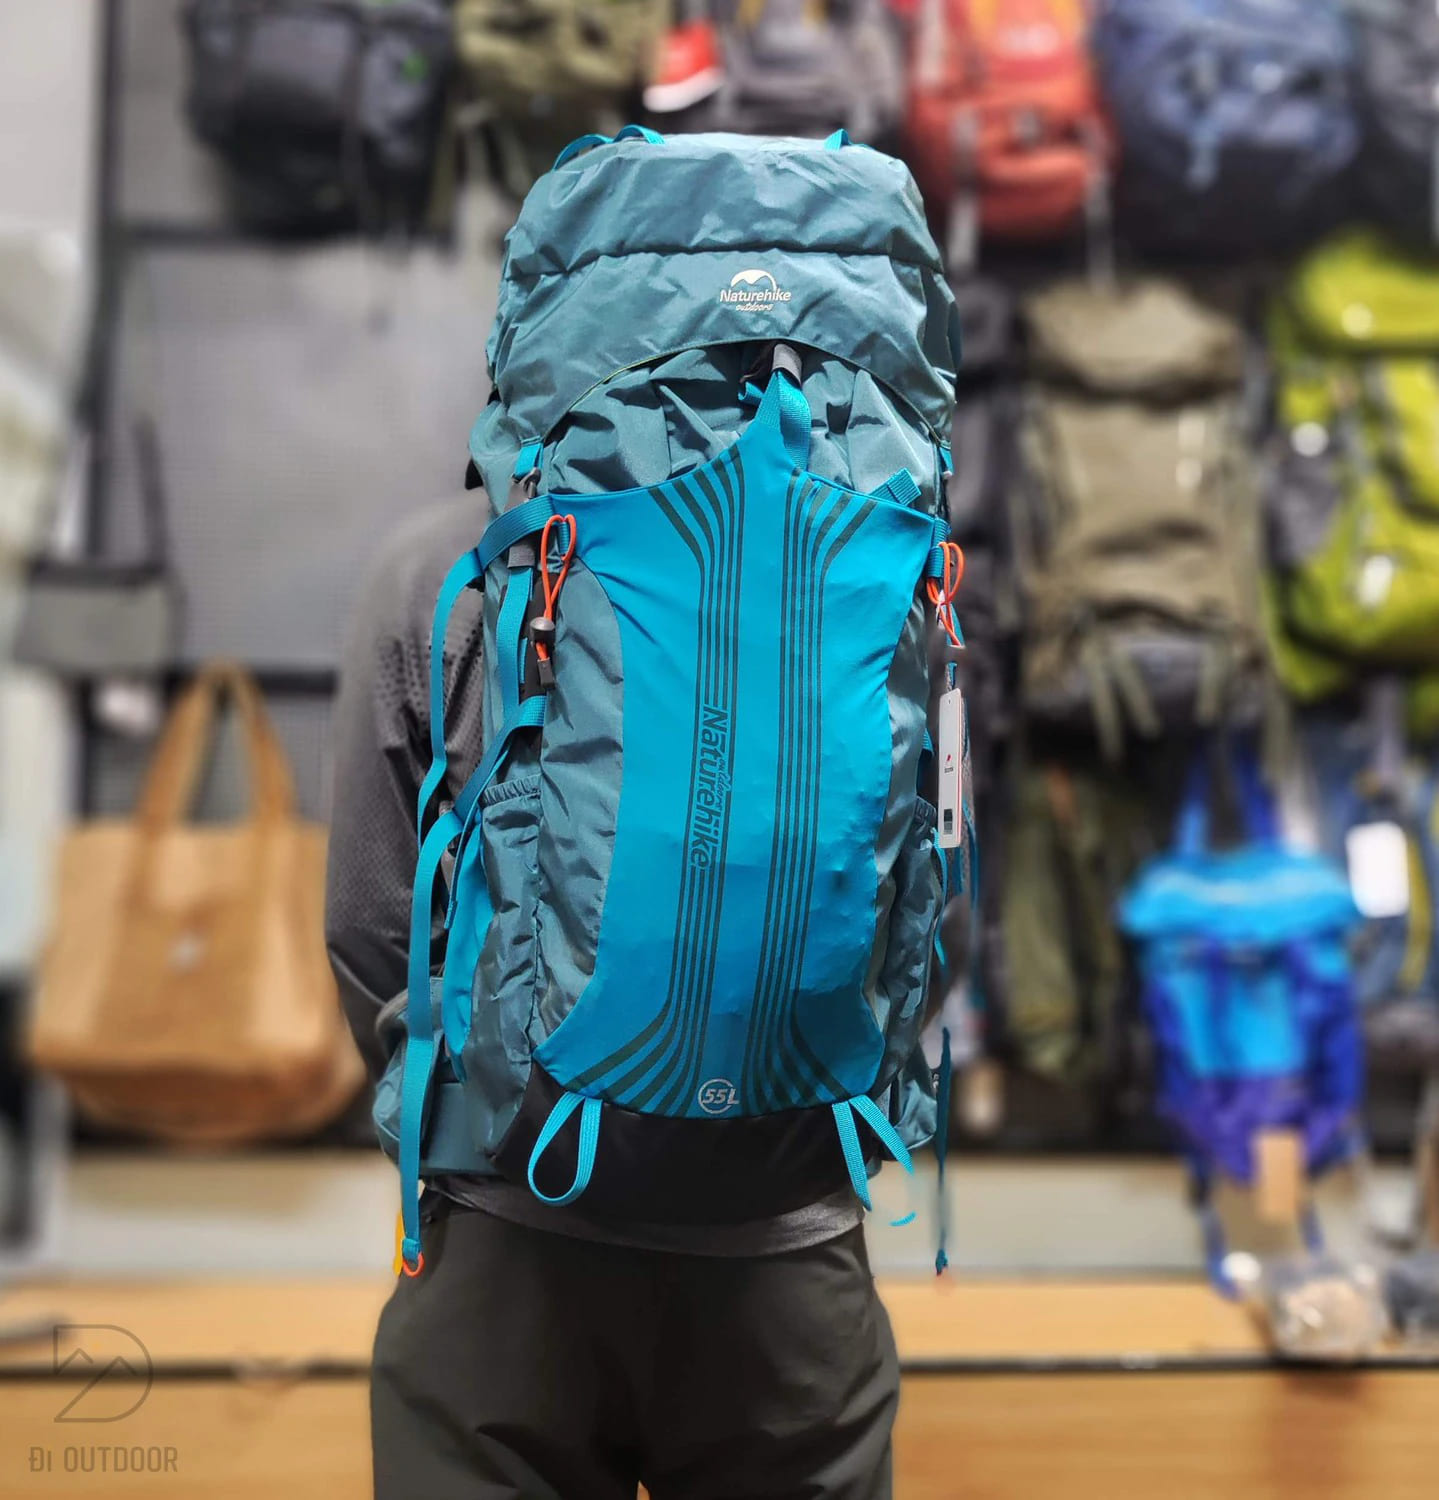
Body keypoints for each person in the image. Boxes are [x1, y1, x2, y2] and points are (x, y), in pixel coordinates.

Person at [325, 492, 900, 1500]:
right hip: (789, 1256)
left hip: (503, 1238)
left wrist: (462, 1107)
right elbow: (922, 910)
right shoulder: (872, 546)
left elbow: (371, 924)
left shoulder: (443, 563)